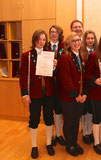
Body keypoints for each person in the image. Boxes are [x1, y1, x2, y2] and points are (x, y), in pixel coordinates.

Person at [19, 30, 57, 158]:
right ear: (34, 40)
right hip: (34, 93)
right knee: (34, 119)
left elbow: (54, 75)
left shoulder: (50, 54)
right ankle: (34, 146)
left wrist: (54, 67)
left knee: (49, 118)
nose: (41, 42)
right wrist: (25, 94)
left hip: (49, 92)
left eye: (44, 40)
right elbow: (23, 76)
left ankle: (48, 144)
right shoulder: (27, 55)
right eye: (39, 39)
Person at [57, 32, 87, 157]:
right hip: (69, 97)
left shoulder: (81, 56)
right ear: (69, 44)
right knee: (69, 121)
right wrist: (76, 95)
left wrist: (84, 94)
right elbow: (66, 80)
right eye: (74, 41)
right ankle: (69, 145)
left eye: (78, 40)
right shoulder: (64, 58)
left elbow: (84, 78)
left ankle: (75, 142)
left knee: (76, 121)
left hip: (80, 97)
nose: (77, 43)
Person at [48, 25, 65, 147]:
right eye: (52, 32)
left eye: (56, 32)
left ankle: (59, 134)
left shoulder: (64, 47)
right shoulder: (44, 46)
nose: (54, 34)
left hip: (61, 83)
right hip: (48, 82)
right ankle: (52, 136)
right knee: (50, 110)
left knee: (59, 110)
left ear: (60, 34)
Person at [80, 30, 98, 145]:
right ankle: (85, 132)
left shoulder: (97, 52)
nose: (90, 40)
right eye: (88, 38)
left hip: (94, 85)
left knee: (92, 110)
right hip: (83, 85)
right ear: (84, 40)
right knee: (84, 110)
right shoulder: (81, 52)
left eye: (92, 38)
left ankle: (90, 131)